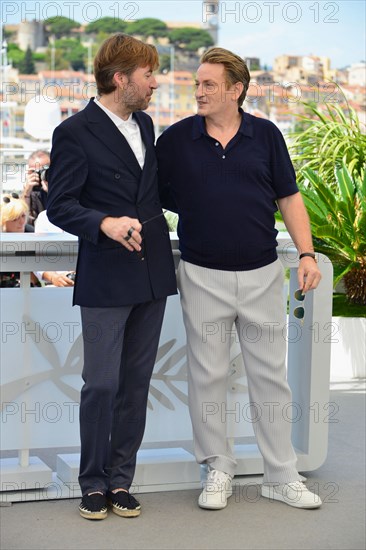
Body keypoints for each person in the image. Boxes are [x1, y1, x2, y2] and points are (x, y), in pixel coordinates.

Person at [156, 47, 323, 510]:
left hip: (262, 274)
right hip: (201, 274)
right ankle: (218, 469)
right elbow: (153, 196)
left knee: (271, 378)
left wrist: (306, 253)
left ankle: (281, 475)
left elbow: (289, 197)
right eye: (197, 84)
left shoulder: (266, 135)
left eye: (210, 84)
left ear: (236, 90)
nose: (200, 92)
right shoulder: (175, 141)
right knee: (207, 377)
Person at [46, 33, 177, 520]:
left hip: (152, 273)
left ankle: (121, 481)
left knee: (136, 383)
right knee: (100, 383)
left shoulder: (145, 122)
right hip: (106, 271)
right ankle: (92, 482)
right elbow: (60, 205)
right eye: (149, 75)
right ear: (121, 78)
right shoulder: (74, 132)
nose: (155, 84)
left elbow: (157, 192)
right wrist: (103, 222)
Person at [1, 193, 40, 287]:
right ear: (3, 220)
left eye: (23, 216)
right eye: (15, 219)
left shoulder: (30, 233)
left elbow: (37, 269)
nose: (22, 222)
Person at [21, 150, 50, 225]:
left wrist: (52, 192)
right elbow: (23, 221)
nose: (41, 175)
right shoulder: (31, 190)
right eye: (35, 171)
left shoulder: (63, 186)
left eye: (44, 170)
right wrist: (26, 193)